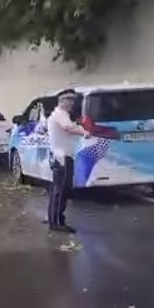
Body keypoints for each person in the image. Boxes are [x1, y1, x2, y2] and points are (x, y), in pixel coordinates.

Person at [46, 88, 90, 233]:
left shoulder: (59, 114)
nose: (72, 103)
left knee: (58, 190)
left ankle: (55, 219)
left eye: (73, 100)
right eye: (69, 100)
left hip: (61, 156)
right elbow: (69, 128)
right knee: (61, 191)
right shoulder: (61, 115)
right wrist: (85, 132)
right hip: (62, 157)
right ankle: (57, 222)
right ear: (62, 101)